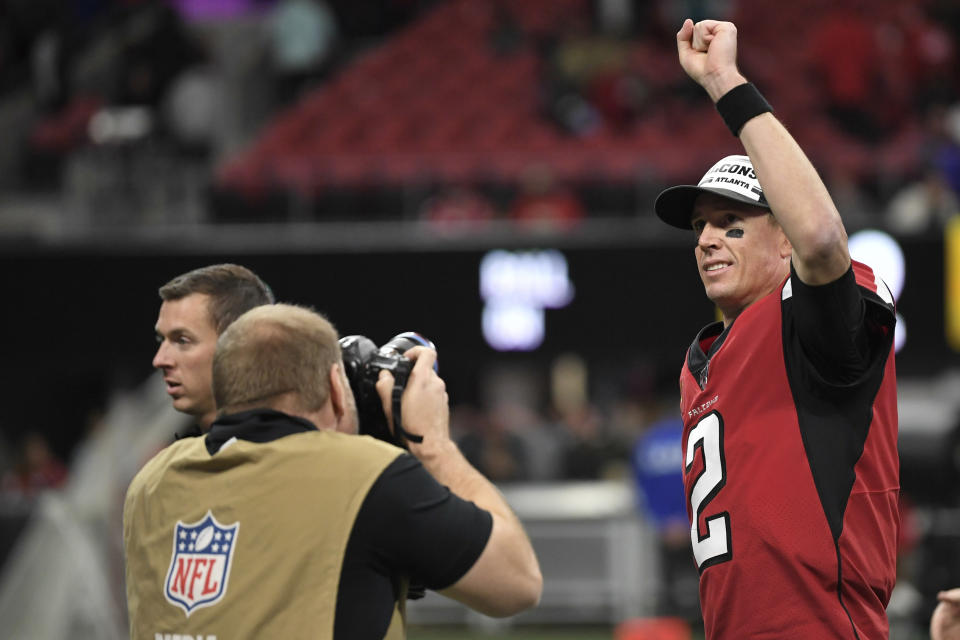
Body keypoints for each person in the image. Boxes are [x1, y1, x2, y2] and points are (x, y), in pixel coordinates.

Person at [652, 19, 899, 639]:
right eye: (700, 226)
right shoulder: (703, 360)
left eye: (731, 221)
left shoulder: (810, 322)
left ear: (783, 241)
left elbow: (821, 238)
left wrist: (726, 83)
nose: (707, 238)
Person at [124, 304, 542, 639]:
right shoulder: (364, 477)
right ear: (335, 387)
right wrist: (432, 443)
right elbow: (517, 583)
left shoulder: (152, 482)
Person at [152, 263, 274, 432]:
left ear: (241, 348)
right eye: (161, 340)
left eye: (182, 341)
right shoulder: (178, 455)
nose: (159, 360)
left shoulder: (293, 454)